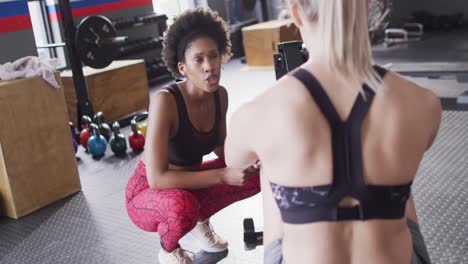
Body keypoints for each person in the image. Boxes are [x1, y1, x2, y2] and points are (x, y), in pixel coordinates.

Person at [224, 0, 441, 263]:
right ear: (368, 7)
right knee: (395, 164)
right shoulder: (424, 104)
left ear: (296, 12)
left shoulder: (256, 113)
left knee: (271, 162)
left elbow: (235, 162)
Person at [125, 8, 260, 264]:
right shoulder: (165, 101)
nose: (209, 66)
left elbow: (222, 149)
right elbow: (157, 179)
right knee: (181, 206)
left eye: (213, 56)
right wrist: (222, 175)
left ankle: (199, 221)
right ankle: (168, 250)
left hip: (189, 184)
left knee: (257, 172)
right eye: (198, 60)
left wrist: (254, 154)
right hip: (147, 194)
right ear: (182, 68)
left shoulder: (220, 95)